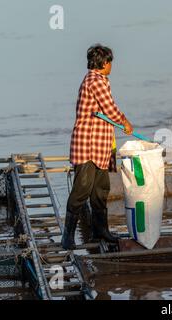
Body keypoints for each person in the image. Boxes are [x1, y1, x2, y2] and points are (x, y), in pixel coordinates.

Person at [61, 44, 133, 250]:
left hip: (102, 146)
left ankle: (100, 231)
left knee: (101, 190)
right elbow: (110, 109)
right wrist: (125, 122)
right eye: (110, 62)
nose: (111, 66)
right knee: (81, 191)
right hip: (88, 146)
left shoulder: (100, 80)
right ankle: (67, 237)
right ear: (103, 63)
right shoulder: (95, 81)